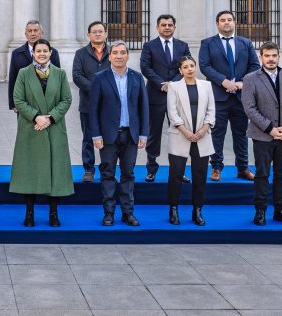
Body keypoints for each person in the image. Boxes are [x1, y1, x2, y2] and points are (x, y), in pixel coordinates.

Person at [10, 39, 74, 227]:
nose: (42, 54)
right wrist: (36, 117)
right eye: (38, 51)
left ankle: (53, 213)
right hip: (31, 128)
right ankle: (29, 213)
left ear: (51, 52)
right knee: (30, 172)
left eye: (45, 51)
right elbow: (18, 99)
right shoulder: (23, 73)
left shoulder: (60, 74)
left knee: (55, 172)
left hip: (54, 128)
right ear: (33, 53)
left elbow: (67, 99)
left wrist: (50, 118)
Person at [242, 42, 282, 227]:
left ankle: (281, 211)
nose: (270, 59)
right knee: (262, 174)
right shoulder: (251, 78)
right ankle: (260, 211)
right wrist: (270, 128)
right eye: (267, 55)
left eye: (274, 55)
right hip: (263, 136)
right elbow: (250, 108)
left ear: (278, 57)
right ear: (261, 57)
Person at [89, 41, 149, 227]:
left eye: (123, 52)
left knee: (128, 174)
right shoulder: (100, 78)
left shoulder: (137, 78)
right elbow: (93, 110)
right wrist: (96, 135)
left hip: (131, 135)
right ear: (110, 56)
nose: (119, 56)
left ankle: (127, 213)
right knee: (107, 174)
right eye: (115, 52)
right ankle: (108, 213)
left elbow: (143, 108)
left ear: (128, 55)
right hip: (108, 136)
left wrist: (143, 134)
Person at [198, 10, 261, 182]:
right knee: (217, 133)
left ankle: (243, 168)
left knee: (241, 134)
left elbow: (255, 66)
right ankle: (216, 167)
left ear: (234, 23)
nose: (227, 23)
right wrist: (223, 81)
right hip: (218, 96)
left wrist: (241, 83)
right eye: (223, 20)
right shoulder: (208, 43)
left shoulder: (246, 43)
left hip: (241, 97)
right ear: (217, 24)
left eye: (230, 20)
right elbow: (205, 66)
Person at [140, 14, 192, 183]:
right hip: (155, 95)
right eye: (164, 25)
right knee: (154, 133)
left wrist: (173, 84)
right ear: (158, 27)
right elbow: (145, 67)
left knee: (178, 134)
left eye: (170, 24)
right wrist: (161, 83)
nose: (167, 27)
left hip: (177, 96)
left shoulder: (182, 46)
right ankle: (151, 168)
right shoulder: (149, 46)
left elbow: (187, 66)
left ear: (174, 27)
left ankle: (179, 171)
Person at [166, 56, 215, 226]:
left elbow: (211, 110)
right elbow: (172, 112)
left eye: (192, 66)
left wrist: (203, 129)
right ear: (180, 70)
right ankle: (173, 209)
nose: (189, 69)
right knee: (176, 175)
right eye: (185, 67)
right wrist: (185, 131)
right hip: (180, 135)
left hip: (202, 137)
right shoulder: (174, 87)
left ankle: (197, 210)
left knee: (200, 176)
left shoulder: (206, 86)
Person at [71, 21, 111, 182]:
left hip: (109, 105)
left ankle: (107, 169)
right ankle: (88, 170)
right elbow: (77, 76)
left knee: (109, 138)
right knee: (88, 138)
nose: (97, 34)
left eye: (100, 31)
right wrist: (97, 89)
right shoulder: (80, 54)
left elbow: (117, 73)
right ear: (88, 35)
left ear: (106, 34)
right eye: (94, 31)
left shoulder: (113, 52)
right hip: (88, 105)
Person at [7, 20, 60, 110]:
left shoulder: (53, 52)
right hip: (24, 102)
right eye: (30, 31)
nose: (33, 34)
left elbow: (57, 78)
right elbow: (13, 79)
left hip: (47, 101)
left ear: (41, 33)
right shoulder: (17, 53)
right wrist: (13, 104)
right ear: (25, 34)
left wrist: (58, 102)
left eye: (35, 30)